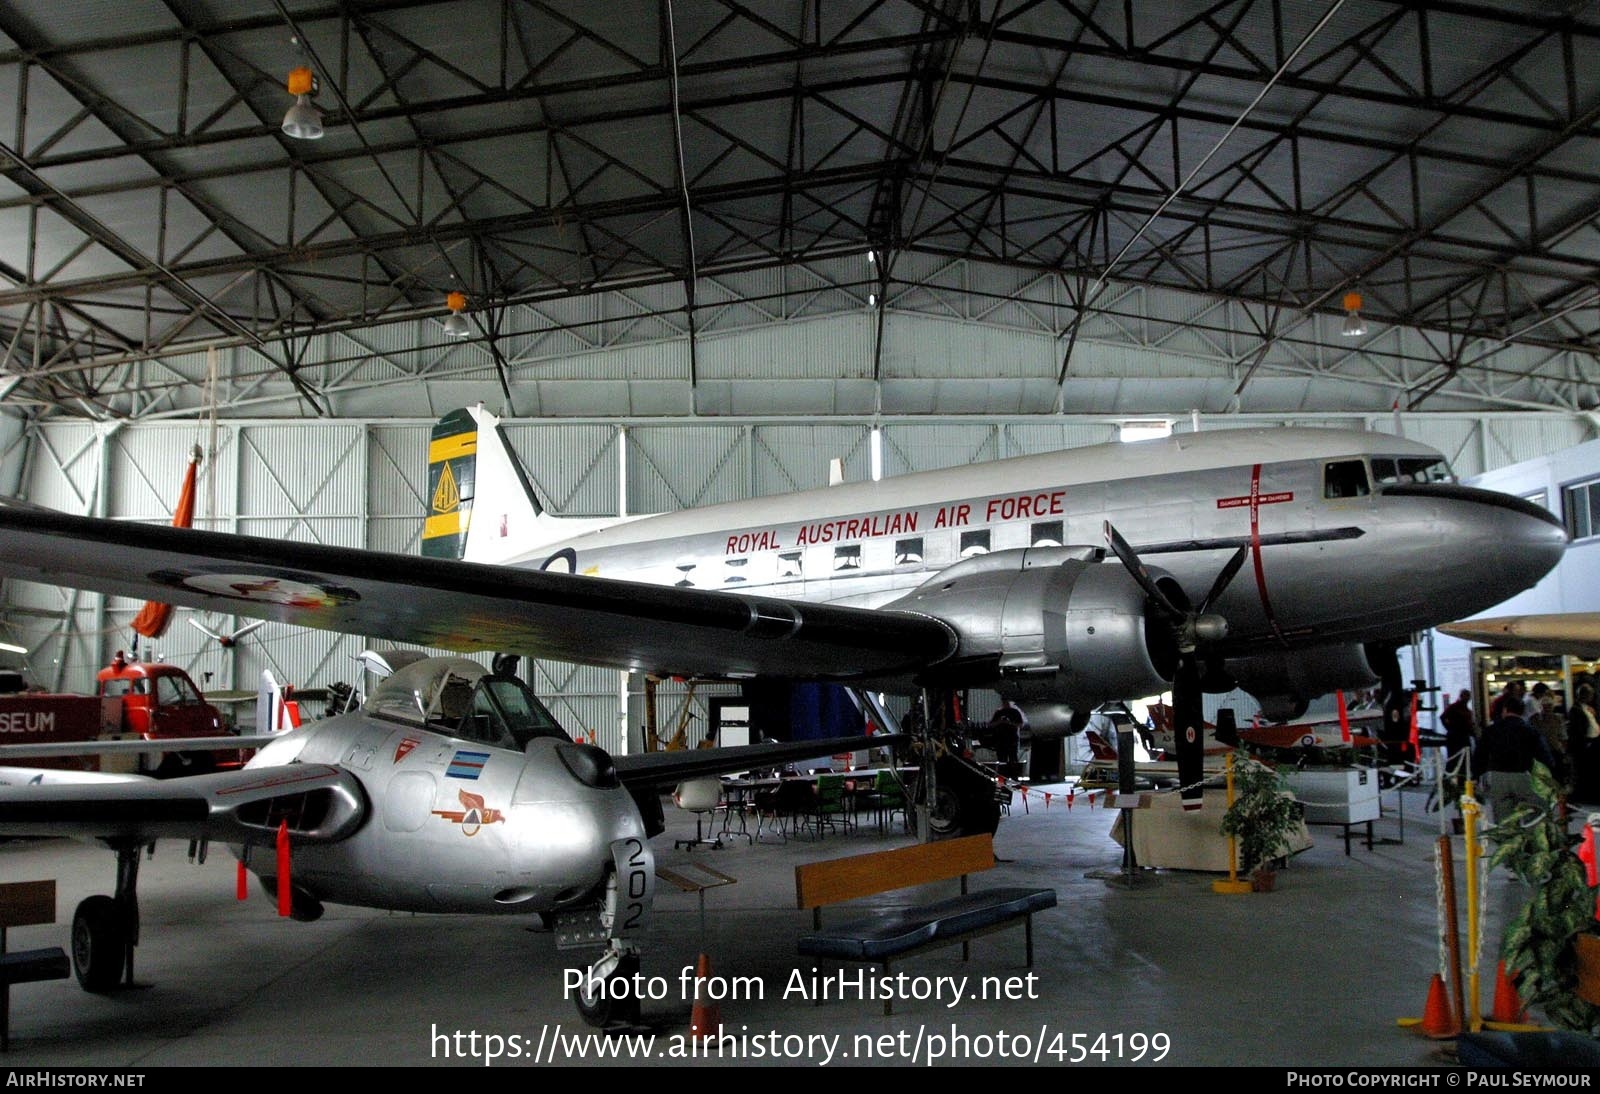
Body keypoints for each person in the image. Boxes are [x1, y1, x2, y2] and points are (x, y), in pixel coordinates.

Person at [1473, 704, 1555, 822]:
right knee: (1533, 817)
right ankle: (1530, 838)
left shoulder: (1491, 730)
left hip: (1498, 777)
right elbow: (1544, 756)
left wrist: (1476, 775)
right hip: (1525, 776)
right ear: (1521, 713)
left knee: (1504, 821)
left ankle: (1508, 839)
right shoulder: (1530, 730)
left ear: (1505, 710)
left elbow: (1480, 755)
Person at [1568, 684, 1600, 802]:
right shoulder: (1576, 709)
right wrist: (1585, 742)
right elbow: (1577, 729)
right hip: (1584, 745)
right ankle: (1583, 796)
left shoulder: (1587, 708)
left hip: (1593, 743)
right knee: (1583, 772)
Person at [1440, 689, 1476, 766]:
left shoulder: (1465, 710)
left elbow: (1443, 718)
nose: (1467, 699)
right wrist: (1450, 728)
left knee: (1461, 759)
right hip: (1456, 737)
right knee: (1455, 759)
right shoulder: (1455, 708)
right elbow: (1443, 717)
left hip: (1461, 736)